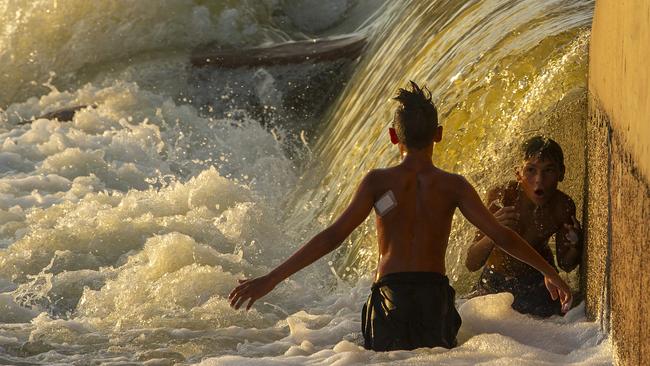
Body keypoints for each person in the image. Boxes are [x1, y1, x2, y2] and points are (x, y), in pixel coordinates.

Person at [228, 81, 572, 351]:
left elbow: (333, 236)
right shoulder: (453, 186)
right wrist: (550, 272)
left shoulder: (378, 182)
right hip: (434, 302)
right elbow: (501, 236)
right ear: (438, 135)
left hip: (389, 299)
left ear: (394, 137)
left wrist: (271, 279)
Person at [464, 136, 582, 317]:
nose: (539, 180)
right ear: (518, 173)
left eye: (548, 170)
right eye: (530, 170)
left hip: (538, 281)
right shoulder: (503, 197)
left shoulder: (562, 206)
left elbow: (566, 264)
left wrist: (575, 244)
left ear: (561, 173)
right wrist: (493, 232)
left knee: (564, 320)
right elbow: (472, 262)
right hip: (495, 280)